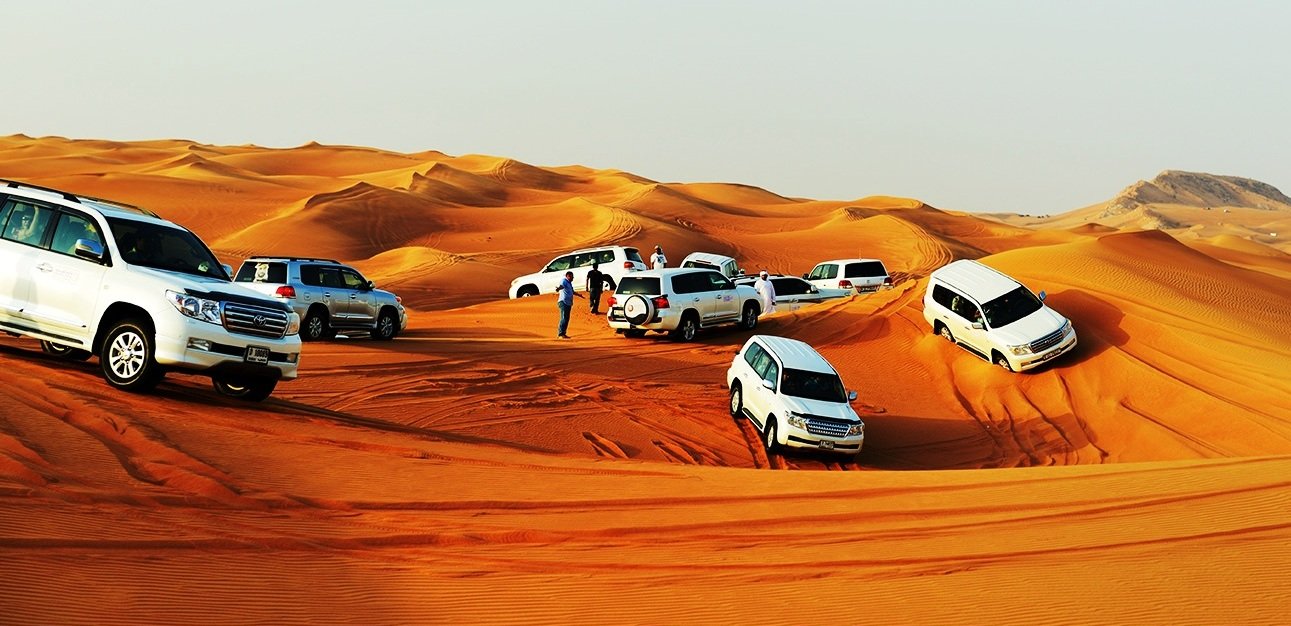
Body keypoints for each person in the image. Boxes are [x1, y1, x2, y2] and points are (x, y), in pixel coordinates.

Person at [555, 270, 580, 338]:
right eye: (571, 277)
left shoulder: (569, 283)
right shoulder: (564, 281)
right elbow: (561, 286)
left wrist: (579, 295)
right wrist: (558, 289)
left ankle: (563, 333)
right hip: (563, 302)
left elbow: (572, 291)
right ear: (567, 276)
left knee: (566, 318)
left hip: (568, 303)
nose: (572, 278)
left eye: (573, 277)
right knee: (564, 318)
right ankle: (560, 334)